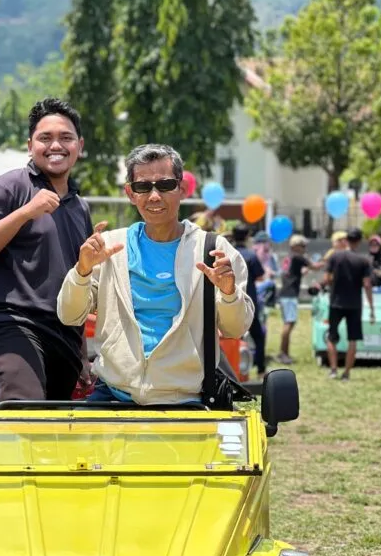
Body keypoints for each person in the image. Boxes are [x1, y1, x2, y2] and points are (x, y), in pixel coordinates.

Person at [56, 144, 253, 406]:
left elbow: (236, 328)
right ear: (130, 193)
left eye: (165, 185)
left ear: (182, 189)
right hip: (114, 395)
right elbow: (69, 315)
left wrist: (229, 293)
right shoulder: (109, 248)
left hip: (186, 400)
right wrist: (81, 272)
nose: (154, 196)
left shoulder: (214, 250)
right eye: (143, 187)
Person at [0, 98, 93, 402]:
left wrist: (83, 355)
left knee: (53, 426)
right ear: (30, 146)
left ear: (80, 145)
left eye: (66, 137)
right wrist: (25, 213)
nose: (56, 145)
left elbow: (77, 283)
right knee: (24, 407)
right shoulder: (9, 187)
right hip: (8, 325)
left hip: (63, 338)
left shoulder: (79, 207)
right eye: (45, 138)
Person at [322, 228, 375, 380]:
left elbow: (327, 278)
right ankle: (346, 373)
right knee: (353, 339)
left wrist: (332, 283)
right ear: (359, 241)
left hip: (336, 301)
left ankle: (333, 369)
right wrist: (372, 308)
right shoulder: (364, 261)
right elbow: (367, 285)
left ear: (346, 240)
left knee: (331, 336)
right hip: (354, 304)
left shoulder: (335, 256)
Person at [277, 234, 322, 364]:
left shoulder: (289, 257)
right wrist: (326, 261)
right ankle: (283, 353)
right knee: (289, 323)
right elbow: (315, 267)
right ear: (296, 246)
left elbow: (293, 273)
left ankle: (283, 353)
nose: (305, 248)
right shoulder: (298, 257)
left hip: (285, 293)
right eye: (303, 245)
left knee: (288, 322)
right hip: (290, 294)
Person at [231, 225, 266, 376]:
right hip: (248, 301)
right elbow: (260, 276)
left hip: (230, 301)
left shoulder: (228, 253)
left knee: (231, 338)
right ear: (247, 237)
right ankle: (260, 369)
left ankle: (233, 369)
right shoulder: (251, 255)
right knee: (258, 336)